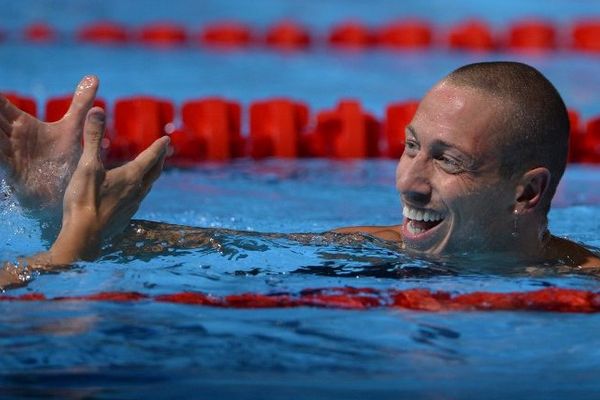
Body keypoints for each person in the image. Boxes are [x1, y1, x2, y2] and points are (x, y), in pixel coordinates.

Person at [0, 62, 598, 289]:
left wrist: (65, 252)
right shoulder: (373, 252)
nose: (406, 182)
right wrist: (55, 212)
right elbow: (205, 246)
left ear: (527, 192)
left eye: (446, 160)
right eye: (410, 147)